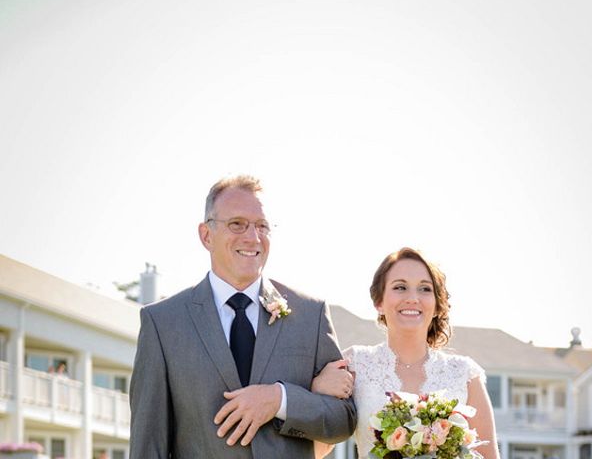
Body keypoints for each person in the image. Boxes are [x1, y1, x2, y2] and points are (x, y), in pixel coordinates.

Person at [129, 175, 356, 458]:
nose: (252, 237)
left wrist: (280, 400)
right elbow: (148, 445)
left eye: (262, 226)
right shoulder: (162, 323)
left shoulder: (310, 314)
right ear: (206, 235)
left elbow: (344, 420)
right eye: (237, 224)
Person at [312, 247, 499, 459]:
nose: (412, 298)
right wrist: (318, 391)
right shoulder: (355, 364)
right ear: (379, 302)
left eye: (425, 289)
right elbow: (317, 450)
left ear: (438, 305)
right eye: (400, 287)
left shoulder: (465, 374)